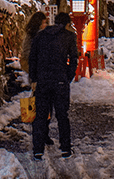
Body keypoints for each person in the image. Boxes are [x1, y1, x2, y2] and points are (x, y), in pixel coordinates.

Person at [29, 12, 79, 160]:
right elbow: (74, 59)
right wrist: (67, 76)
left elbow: (33, 58)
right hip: (60, 80)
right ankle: (65, 149)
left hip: (43, 80)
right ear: (67, 24)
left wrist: (34, 78)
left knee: (41, 115)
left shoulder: (40, 36)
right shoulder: (69, 36)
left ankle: (38, 150)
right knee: (62, 115)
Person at [21, 11, 48, 75]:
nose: (45, 25)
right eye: (44, 23)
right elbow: (27, 51)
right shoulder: (31, 35)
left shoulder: (44, 34)